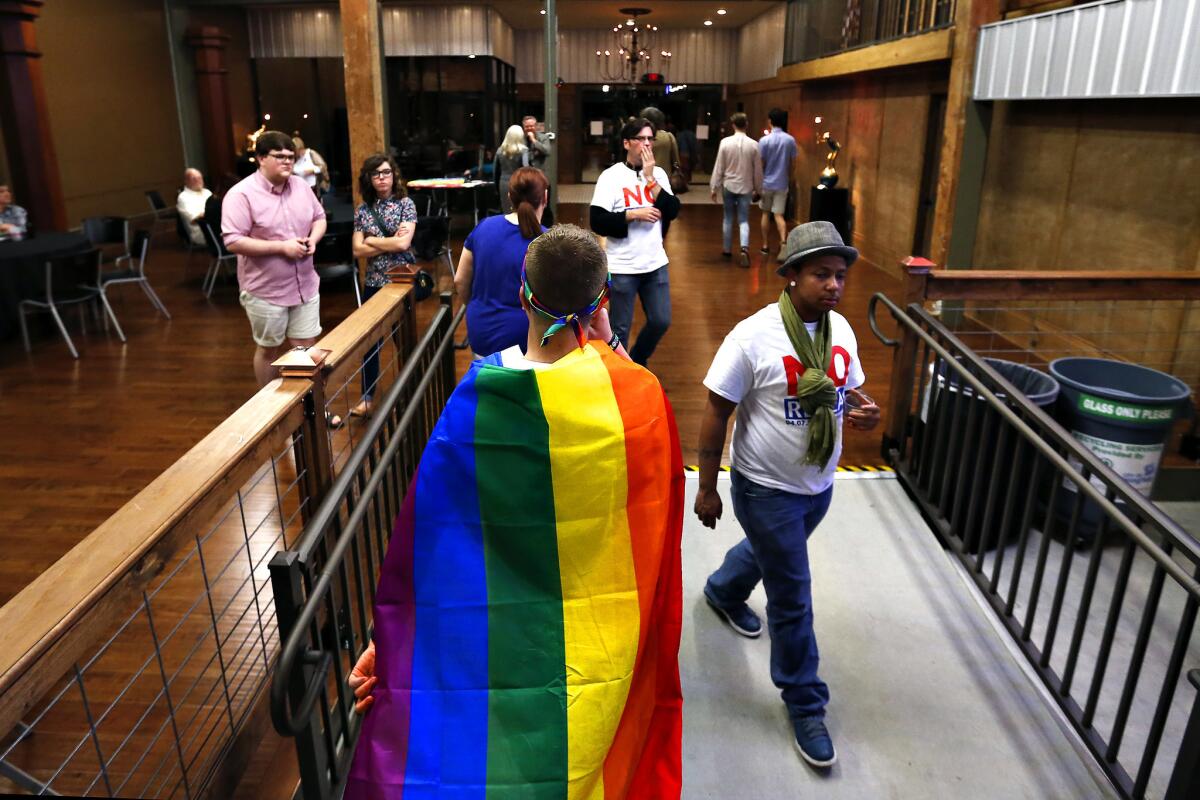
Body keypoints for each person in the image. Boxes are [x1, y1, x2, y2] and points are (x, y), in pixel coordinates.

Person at [344, 224, 684, 799]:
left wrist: (399, 641)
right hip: (600, 641)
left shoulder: (479, 401)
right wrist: (608, 340)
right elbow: (655, 517)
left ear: (521, 294)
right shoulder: (641, 400)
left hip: (497, 639)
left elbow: (438, 544)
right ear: (602, 303)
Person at [694, 221, 880, 770]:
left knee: (773, 556)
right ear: (792, 275)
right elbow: (716, 412)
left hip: (818, 486)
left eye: (840, 276)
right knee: (792, 597)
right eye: (821, 274)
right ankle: (805, 703)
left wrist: (863, 411)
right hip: (766, 488)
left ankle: (724, 591)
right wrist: (707, 487)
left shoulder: (841, 331)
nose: (833, 286)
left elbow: (849, 390)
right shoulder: (753, 336)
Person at [222, 130, 327, 387]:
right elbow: (233, 241)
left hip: (305, 284)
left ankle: (311, 410)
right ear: (260, 158)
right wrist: (281, 248)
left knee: (305, 347)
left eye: (291, 156)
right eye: (279, 156)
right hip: (266, 291)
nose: (287, 162)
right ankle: (272, 413)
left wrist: (312, 239)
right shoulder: (241, 194)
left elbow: (319, 218)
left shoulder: (301, 186)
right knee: (269, 350)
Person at [589, 117, 681, 366]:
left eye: (651, 138)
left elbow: (673, 210)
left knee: (661, 320)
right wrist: (632, 214)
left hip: (655, 264)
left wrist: (651, 181)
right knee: (619, 329)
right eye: (641, 139)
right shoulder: (611, 177)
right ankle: (621, 374)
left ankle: (638, 359)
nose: (648, 144)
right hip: (623, 268)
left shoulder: (658, 174)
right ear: (627, 143)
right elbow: (597, 221)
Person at [454, 166, 548, 358]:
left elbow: (460, 281)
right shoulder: (548, 241)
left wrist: (477, 306)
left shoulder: (484, 227)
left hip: (482, 333)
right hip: (528, 339)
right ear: (545, 197)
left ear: (509, 196)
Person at [351, 152, 417, 419]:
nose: (382, 178)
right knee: (370, 343)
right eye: (376, 173)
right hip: (373, 282)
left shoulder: (405, 204)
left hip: (400, 279)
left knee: (403, 338)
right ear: (368, 178)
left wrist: (372, 241)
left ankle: (411, 385)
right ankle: (367, 396)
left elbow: (403, 244)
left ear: (394, 175)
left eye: (386, 172)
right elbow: (357, 250)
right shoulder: (363, 210)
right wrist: (384, 242)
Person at [710, 112, 763, 268]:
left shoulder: (725, 143)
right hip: (746, 187)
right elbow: (757, 170)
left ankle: (727, 249)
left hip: (729, 185)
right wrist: (759, 188)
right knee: (744, 219)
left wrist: (714, 186)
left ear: (733, 125)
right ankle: (744, 248)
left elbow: (719, 166)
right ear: (746, 124)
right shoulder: (754, 145)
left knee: (727, 218)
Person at [759, 108, 799, 262]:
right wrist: (789, 177)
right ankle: (783, 243)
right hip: (782, 183)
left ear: (770, 121)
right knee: (779, 215)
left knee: (765, 213)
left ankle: (765, 245)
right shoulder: (790, 140)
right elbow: (793, 163)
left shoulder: (764, 141)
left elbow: (760, 163)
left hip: (767, 183)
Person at [493, 125, 528, 213]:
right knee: (520, 211)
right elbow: (526, 169)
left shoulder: (500, 150)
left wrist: (496, 188)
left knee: (506, 211)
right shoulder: (524, 150)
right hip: (518, 184)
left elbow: (495, 171)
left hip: (503, 183)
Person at [176, 168, 212, 246]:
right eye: (193, 179)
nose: (198, 180)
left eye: (199, 178)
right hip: (200, 232)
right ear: (186, 181)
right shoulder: (183, 197)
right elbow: (194, 220)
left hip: (213, 227)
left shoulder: (207, 192)